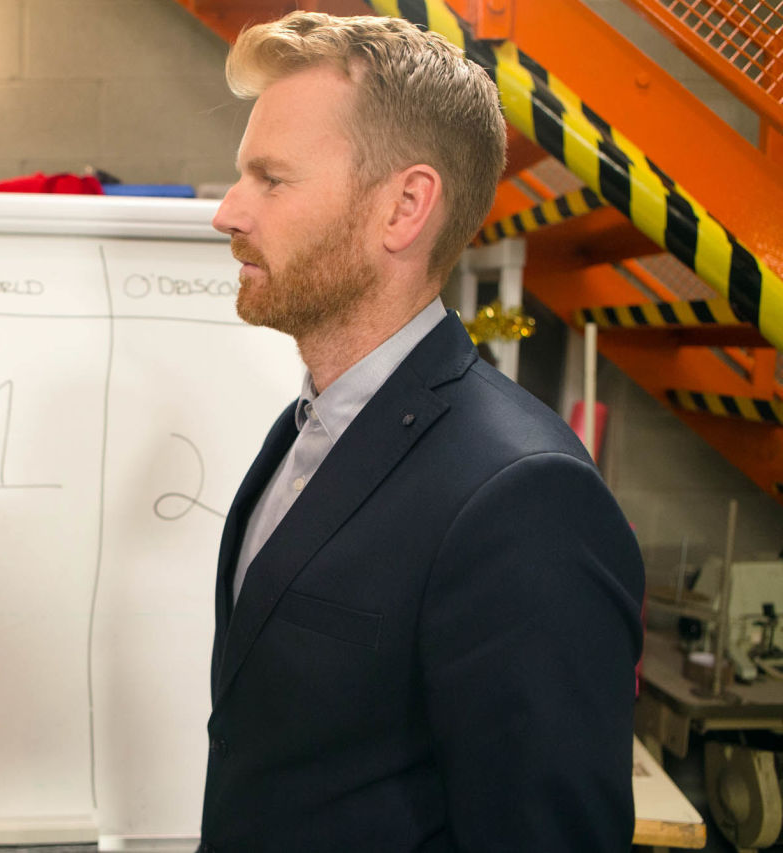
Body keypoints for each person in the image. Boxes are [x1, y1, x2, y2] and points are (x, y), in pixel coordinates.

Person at [200, 12, 644, 852]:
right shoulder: (305, 431)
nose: (228, 212)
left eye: (271, 179)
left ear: (405, 207)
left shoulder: (525, 497)